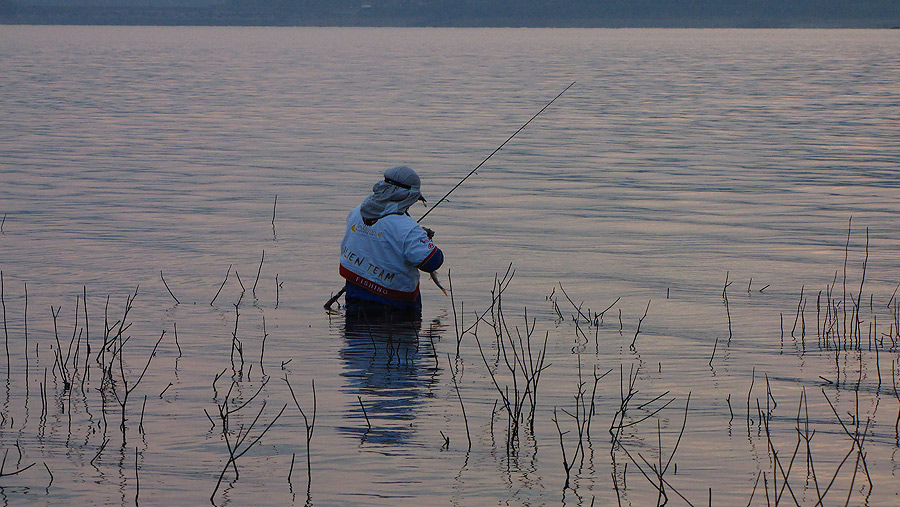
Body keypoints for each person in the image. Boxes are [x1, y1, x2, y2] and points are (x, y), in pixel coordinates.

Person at [339, 166, 444, 320]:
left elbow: (377, 238)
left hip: (355, 301)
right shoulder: (407, 228)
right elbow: (432, 261)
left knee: (357, 344)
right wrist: (422, 239)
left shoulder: (356, 212)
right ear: (408, 197)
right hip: (395, 310)